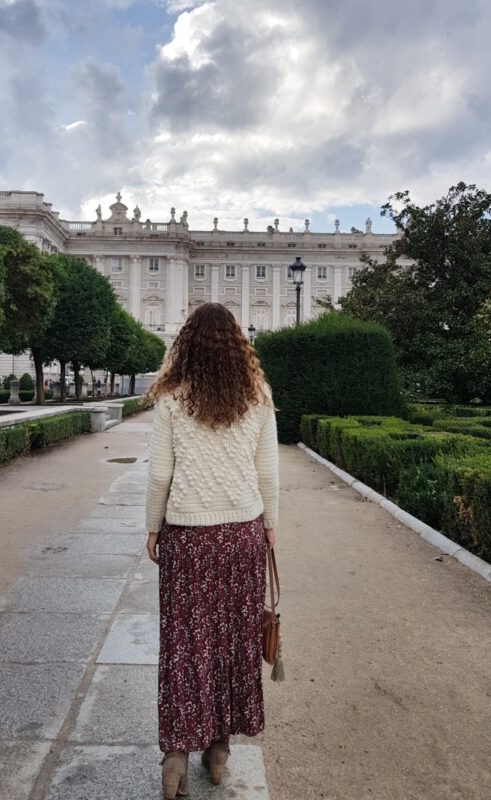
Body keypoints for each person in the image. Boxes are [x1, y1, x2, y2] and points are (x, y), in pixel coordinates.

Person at [142, 302, 279, 799]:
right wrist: (272, 528)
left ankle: (175, 757)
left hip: (188, 537)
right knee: (232, 642)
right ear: (238, 345)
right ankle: (218, 753)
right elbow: (268, 473)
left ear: (186, 345)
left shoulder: (173, 398)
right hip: (241, 534)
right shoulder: (258, 394)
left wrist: (152, 527)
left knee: (184, 646)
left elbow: (159, 473)